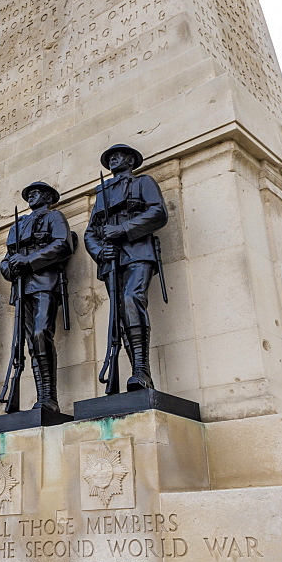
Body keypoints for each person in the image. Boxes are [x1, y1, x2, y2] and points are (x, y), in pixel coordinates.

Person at [84, 144, 168, 390]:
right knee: (120, 314)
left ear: (131, 160)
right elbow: (91, 232)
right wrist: (100, 250)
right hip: (111, 259)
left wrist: (123, 230)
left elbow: (158, 212)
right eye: (110, 158)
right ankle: (138, 375)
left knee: (132, 299)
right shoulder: (102, 193)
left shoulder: (143, 182)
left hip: (138, 251)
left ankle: (142, 370)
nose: (113, 160)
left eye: (118, 156)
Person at [0, 181, 73, 412]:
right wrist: (12, 268)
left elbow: (63, 244)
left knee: (42, 334)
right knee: (32, 343)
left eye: (37, 193)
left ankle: (49, 397)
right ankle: (43, 398)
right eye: (29, 193)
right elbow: (5, 260)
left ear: (48, 197)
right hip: (22, 289)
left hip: (45, 283)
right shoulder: (18, 225)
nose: (31, 196)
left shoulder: (55, 217)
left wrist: (29, 261)